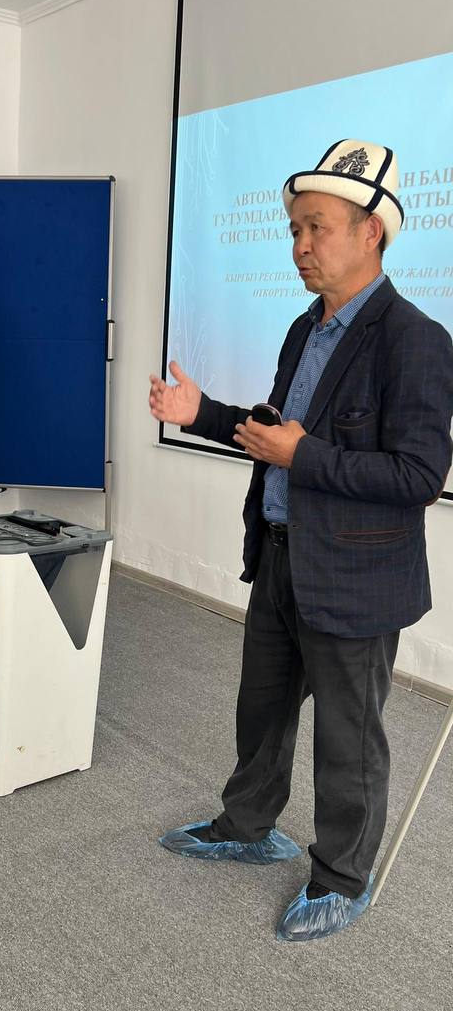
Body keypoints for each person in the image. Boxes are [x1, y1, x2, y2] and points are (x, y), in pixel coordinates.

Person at [149, 139, 453, 942]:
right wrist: (201, 414)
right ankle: (248, 827)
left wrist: (304, 456)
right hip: (281, 556)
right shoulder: (302, 329)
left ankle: (342, 876)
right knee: (263, 709)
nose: (300, 245)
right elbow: (275, 433)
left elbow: (419, 475)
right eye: (294, 230)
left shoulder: (415, 339)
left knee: (348, 738)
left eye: (316, 227)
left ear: (371, 232)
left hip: (357, 578)